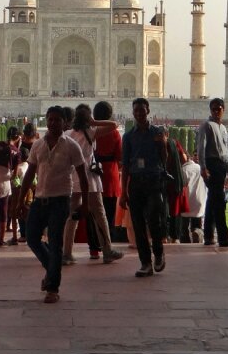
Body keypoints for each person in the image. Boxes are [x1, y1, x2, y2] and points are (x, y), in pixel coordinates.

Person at [16, 106, 89, 303]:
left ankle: (52, 287)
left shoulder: (71, 145)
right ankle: (52, 269)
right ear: (46, 121)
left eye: (57, 120)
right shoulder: (38, 145)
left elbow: (83, 176)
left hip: (60, 200)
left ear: (65, 123)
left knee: (56, 243)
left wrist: (85, 203)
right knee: (31, 238)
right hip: (40, 199)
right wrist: (21, 199)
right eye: (50, 119)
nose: (53, 123)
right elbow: (30, 173)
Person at [62, 104, 124, 264]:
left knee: (71, 217)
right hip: (89, 179)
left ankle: (66, 253)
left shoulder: (68, 134)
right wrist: (95, 122)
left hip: (74, 178)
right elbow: (114, 125)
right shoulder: (92, 132)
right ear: (88, 118)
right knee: (99, 215)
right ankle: (107, 250)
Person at [120, 98, 167, 277]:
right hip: (137, 183)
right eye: (136, 111)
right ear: (133, 113)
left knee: (154, 220)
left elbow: (165, 157)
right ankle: (145, 262)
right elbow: (125, 165)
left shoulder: (157, 132)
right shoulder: (129, 136)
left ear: (148, 111)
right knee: (138, 225)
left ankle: (159, 253)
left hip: (154, 181)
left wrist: (162, 143)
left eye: (142, 110)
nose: (139, 113)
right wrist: (123, 192)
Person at [196, 98, 228, 247]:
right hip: (211, 165)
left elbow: (225, 151)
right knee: (219, 201)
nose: (216, 111)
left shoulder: (223, 128)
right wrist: (203, 168)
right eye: (213, 109)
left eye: (219, 108)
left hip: (221, 165)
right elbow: (201, 148)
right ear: (210, 110)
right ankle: (223, 237)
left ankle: (208, 236)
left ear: (223, 109)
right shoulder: (206, 126)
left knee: (213, 201)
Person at [93, 100, 122, 235]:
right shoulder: (114, 132)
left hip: (94, 172)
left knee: (95, 210)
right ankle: (108, 238)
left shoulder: (91, 131)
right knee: (109, 211)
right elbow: (120, 155)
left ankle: (95, 242)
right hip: (110, 173)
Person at [180, 153, 207, 243]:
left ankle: (185, 239)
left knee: (184, 225)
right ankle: (196, 232)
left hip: (187, 200)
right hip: (199, 199)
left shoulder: (182, 170)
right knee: (197, 223)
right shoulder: (200, 168)